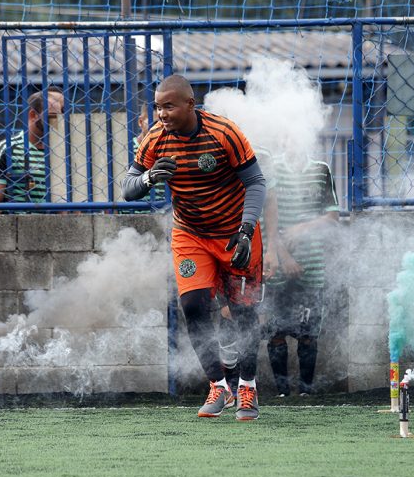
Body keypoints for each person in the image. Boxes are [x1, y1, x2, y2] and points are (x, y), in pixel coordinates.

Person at [121, 75, 267, 421]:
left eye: (168, 106)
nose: (161, 114)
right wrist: (149, 178)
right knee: (193, 305)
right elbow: (128, 187)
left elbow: (256, 182)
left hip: (235, 233)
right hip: (190, 234)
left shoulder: (224, 133)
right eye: (157, 107)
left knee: (242, 310)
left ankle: (248, 387)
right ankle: (219, 386)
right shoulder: (154, 139)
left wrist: (246, 230)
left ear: (190, 104)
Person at [262, 146, 339, 396]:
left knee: (308, 333)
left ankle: (306, 391)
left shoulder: (321, 170)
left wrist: (301, 228)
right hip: (276, 264)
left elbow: (332, 217)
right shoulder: (271, 169)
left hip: (312, 265)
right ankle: (282, 391)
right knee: (275, 333)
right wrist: (283, 256)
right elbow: (265, 218)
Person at [0, 88, 65, 214]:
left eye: (61, 115)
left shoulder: (64, 151)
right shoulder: (7, 149)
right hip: (16, 227)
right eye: (52, 115)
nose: (58, 121)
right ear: (33, 115)